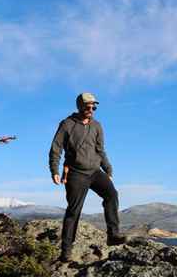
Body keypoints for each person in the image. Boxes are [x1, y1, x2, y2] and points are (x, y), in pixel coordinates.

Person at [49, 92, 126, 262]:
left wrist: (108, 170)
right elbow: (56, 148)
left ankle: (113, 235)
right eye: (88, 106)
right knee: (74, 211)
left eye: (94, 106)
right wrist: (54, 170)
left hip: (95, 171)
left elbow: (100, 150)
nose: (91, 109)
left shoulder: (97, 126)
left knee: (112, 195)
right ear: (80, 106)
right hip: (76, 173)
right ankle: (66, 251)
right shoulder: (67, 124)